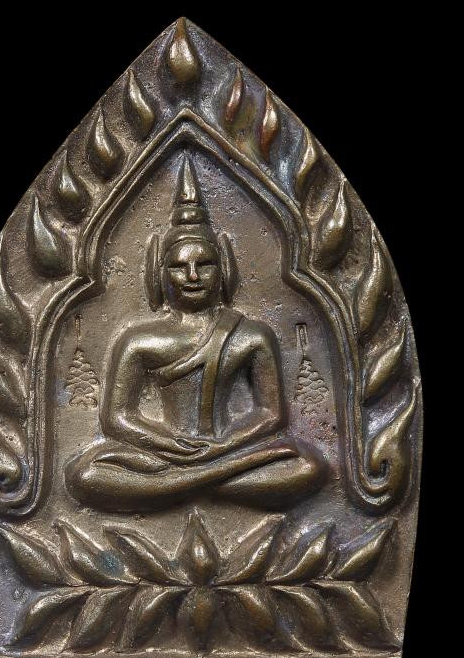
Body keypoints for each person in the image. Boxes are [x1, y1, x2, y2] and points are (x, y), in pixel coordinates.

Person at [65, 155, 328, 512]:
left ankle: (177, 487)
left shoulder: (252, 336)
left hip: (229, 449)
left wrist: (223, 446)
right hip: (164, 455)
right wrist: (170, 444)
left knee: (310, 465)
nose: (192, 276)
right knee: (84, 473)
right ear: (159, 275)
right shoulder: (139, 341)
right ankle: (209, 482)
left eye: (204, 264)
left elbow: (270, 414)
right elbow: (117, 419)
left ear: (224, 270)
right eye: (179, 266)